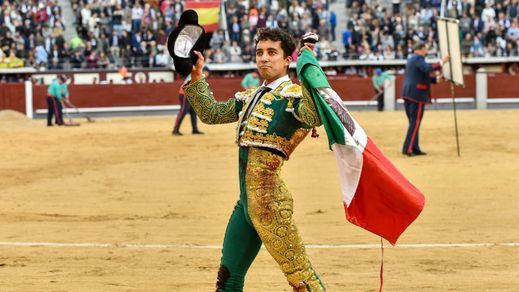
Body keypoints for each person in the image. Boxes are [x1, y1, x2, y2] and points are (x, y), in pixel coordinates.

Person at [183, 28, 325, 291]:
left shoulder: (293, 97)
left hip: (271, 206)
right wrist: (196, 74)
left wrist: (309, 71)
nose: (264, 58)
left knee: (301, 279)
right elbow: (211, 114)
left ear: (287, 60)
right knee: (228, 277)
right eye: (260, 52)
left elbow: (313, 116)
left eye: (272, 53)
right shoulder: (249, 96)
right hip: (246, 205)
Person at [401, 42, 449, 156]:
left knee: (413, 123)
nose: (427, 52)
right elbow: (427, 68)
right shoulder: (418, 58)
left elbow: (423, 76)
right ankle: (407, 148)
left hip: (408, 94)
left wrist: (437, 79)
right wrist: (442, 62)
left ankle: (415, 147)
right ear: (421, 49)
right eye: (426, 49)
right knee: (415, 122)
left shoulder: (412, 59)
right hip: (416, 95)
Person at [171, 67, 209, 135]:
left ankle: (195, 129)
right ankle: (175, 130)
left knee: (193, 111)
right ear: (205, 71)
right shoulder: (197, 74)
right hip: (185, 93)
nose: (208, 75)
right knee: (183, 111)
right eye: (208, 73)